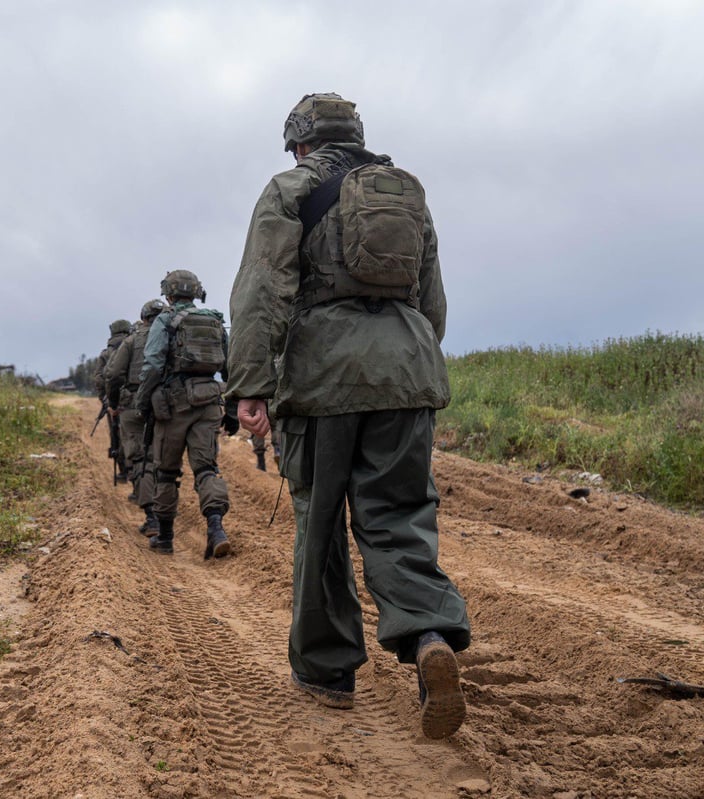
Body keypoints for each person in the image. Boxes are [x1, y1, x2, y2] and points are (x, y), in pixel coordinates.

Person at [226, 93, 471, 739]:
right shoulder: (405, 192)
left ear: (300, 144)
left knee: (322, 524)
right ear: (356, 136)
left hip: (324, 378)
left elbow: (261, 291)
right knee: (398, 515)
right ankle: (428, 635)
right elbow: (432, 301)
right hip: (409, 372)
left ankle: (327, 671)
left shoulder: (291, 188)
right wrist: (409, 368)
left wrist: (251, 384)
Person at [135, 270, 238, 559]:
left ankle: (165, 538)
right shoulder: (214, 321)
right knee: (207, 468)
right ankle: (216, 529)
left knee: (166, 472)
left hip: (174, 406)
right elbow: (230, 368)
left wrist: (144, 403)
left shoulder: (165, 320)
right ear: (196, 292)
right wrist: (231, 410)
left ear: (168, 293)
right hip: (208, 401)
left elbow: (153, 365)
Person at [105, 299, 167, 530]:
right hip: (166, 406)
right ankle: (166, 515)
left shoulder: (132, 341)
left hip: (133, 406)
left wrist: (113, 403)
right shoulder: (172, 336)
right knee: (163, 461)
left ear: (143, 317)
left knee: (140, 459)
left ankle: (152, 517)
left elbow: (112, 375)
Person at [93, 319, 131, 482]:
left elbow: (99, 378)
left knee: (116, 435)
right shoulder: (133, 345)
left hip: (114, 401)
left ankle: (123, 471)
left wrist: (105, 399)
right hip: (133, 399)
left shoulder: (106, 353)